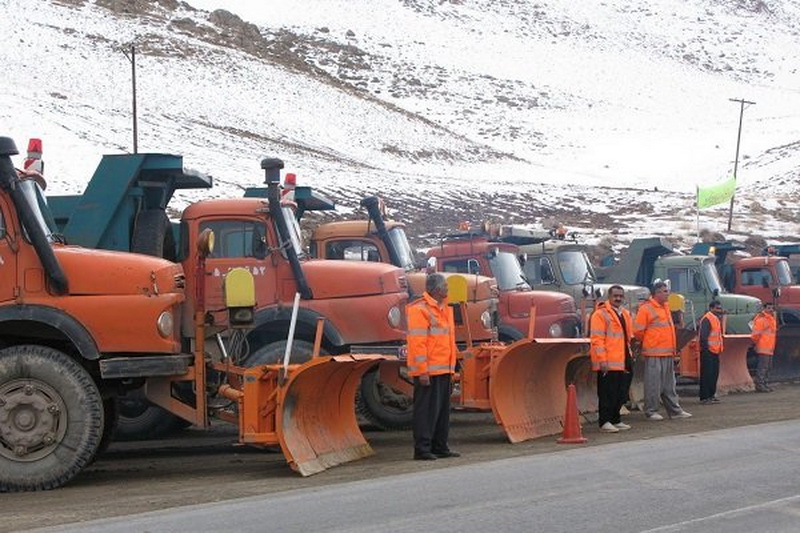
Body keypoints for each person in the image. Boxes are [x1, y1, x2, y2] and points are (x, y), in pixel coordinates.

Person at [406, 273, 460, 460]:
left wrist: (452, 369)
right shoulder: (420, 309)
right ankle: (422, 449)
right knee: (426, 411)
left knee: (442, 412)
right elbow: (417, 343)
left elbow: (447, 341)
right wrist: (422, 371)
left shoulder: (443, 308)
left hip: (443, 368)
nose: (448, 289)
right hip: (429, 370)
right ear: (437, 290)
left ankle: (439, 445)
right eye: (445, 286)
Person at [634, 281, 692, 421]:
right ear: (657, 292)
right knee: (653, 384)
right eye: (665, 291)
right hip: (654, 352)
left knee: (669, 384)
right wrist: (651, 342)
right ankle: (651, 411)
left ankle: (674, 411)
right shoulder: (646, 309)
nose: (668, 293)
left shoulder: (665, 307)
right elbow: (637, 331)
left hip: (667, 351)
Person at [590, 285, 633, 433]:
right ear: (609, 297)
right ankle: (605, 421)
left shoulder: (624, 314)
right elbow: (597, 339)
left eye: (621, 296)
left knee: (620, 392)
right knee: (607, 393)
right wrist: (602, 360)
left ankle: (615, 419)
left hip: (622, 360)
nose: (618, 298)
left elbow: (627, 338)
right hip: (608, 361)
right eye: (615, 296)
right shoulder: (600, 315)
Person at [699, 301, 725, 404]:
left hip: (714, 351)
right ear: (711, 308)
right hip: (708, 351)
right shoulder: (707, 319)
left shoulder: (715, 319)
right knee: (707, 375)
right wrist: (706, 349)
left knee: (713, 374)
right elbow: (703, 337)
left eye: (719, 308)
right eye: (717, 308)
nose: (719, 310)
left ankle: (711, 395)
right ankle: (705, 397)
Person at [751, 301, 777, 393]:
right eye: (768, 308)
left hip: (769, 347)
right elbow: (755, 335)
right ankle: (760, 385)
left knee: (767, 367)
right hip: (764, 347)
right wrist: (756, 344)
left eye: (771, 308)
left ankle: (764, 384)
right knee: (763, 367)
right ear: (764, 308)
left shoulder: (771, 319)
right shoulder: (762, 319)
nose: (770, 310)